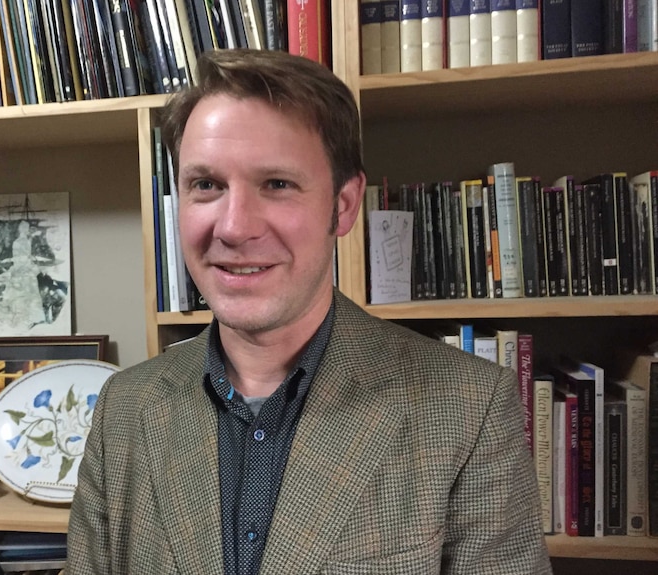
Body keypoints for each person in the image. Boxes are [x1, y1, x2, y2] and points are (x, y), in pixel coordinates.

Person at [67, 49, 551, 575]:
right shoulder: (124, 406)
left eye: (277, 184)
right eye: (206, 185)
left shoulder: (470, 408)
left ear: (342, 207)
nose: (233, 227)